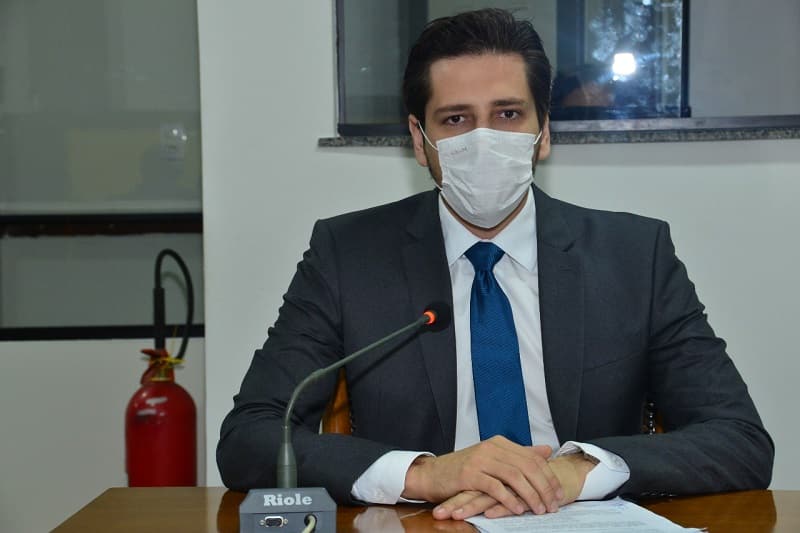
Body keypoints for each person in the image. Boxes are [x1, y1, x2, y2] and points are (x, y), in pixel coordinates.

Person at [217, 8, 773, 521]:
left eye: (508, 114)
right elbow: (250, 437)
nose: (483, 140)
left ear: (544, 132)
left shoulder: (634, 255)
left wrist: (575, 471)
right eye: (455, 119)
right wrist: (425, 473)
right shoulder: (348, 254)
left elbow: (740, 440)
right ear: (419, 141)